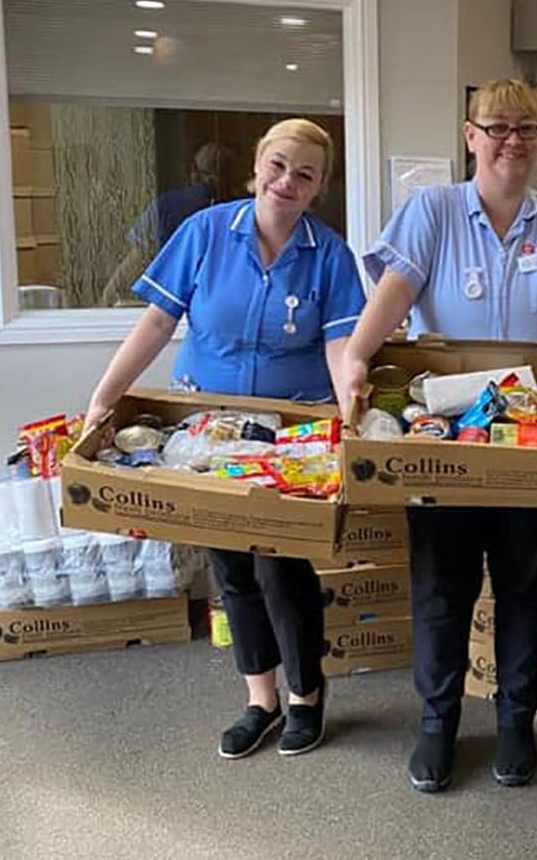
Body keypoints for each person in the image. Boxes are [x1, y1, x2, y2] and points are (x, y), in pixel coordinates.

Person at [341, 78, 537, 794]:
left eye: (527, 130)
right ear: (469, 135)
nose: (513, 141)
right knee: (441, 588)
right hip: (443, 437)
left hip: (531, 441)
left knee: (524, 586)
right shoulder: (433, 211)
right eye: (498, 127)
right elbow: (398, 291)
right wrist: (355, 353)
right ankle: (437, 722)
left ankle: (514, 719)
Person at [83, 119, 366, 760]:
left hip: (291, 436)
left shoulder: (329, 255)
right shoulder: (206, 234)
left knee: (281, 565)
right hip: (210, 434)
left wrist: (353, 409)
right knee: (232, 570)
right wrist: (106, 394)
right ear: (256, 166)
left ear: (320, 187)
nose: (287, 181)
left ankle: (305, 696)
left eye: (305, 173)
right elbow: (158, 320)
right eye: (278, 165)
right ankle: (258, 698)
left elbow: (340, 343)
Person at [100, 141, 240, 306]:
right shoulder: (244, 213)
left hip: (170, 304)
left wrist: (109, 294)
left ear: (194, 170)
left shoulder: (167, 204)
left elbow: (139, 254)